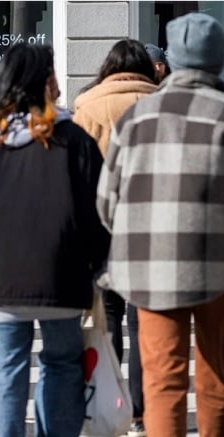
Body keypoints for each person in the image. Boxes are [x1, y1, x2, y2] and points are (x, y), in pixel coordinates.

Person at [0, 42, 108, 437]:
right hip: (61, 272)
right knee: (63, 364)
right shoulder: (72, 138)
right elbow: (98, 211)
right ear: (42, 82)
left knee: (5, 373)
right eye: (52, 76)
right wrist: (97, 264)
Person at [97, 13, 224, 436]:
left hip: (150, 267)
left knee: (162, 379)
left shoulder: (137, 119)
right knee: (216, 377)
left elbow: (107, 202)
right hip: (217, 266)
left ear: (172, 60)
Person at [73, 38, 157, 437]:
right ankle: (141, 412)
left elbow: (74, 173)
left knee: (108, 319)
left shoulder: (87, 105)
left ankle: (114, 402)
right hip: (150, 227)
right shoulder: (161, 102)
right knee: (144, 324)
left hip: (100, 227)